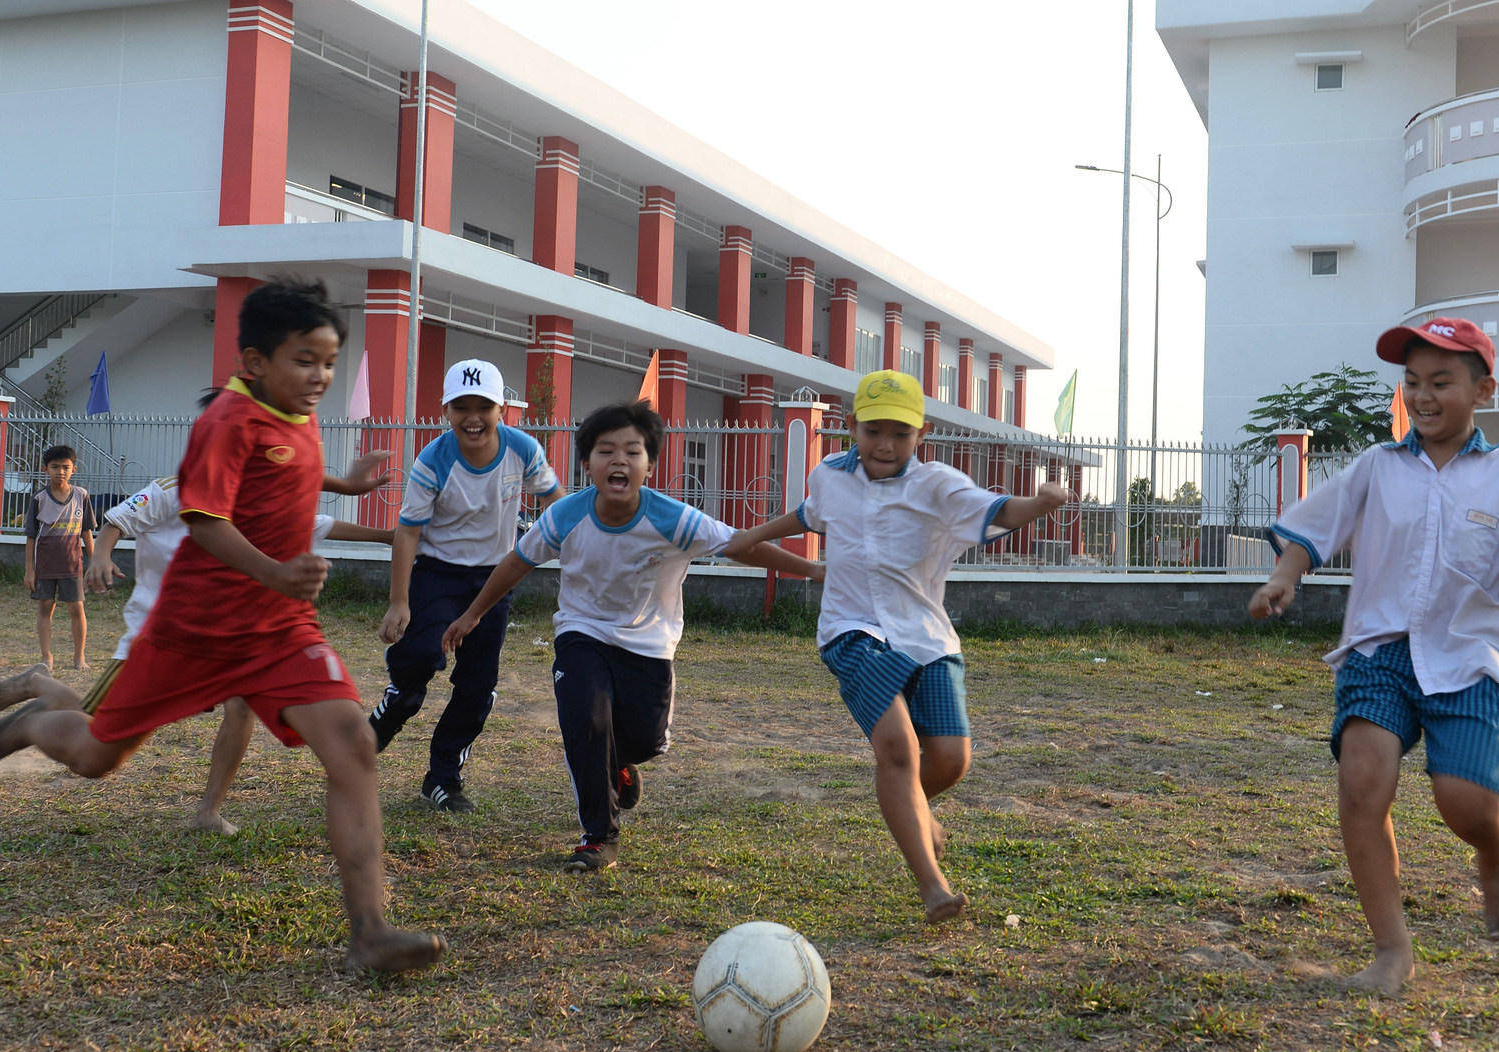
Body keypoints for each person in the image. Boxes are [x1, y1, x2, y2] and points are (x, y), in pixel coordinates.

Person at [0, 279, 445, 973]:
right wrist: (278, 571)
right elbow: (206, 520)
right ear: (254, 362)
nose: (320, 377)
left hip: (280, 628)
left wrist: (347, 484)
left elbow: (291, 476)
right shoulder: (225, 421)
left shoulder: (299, 410)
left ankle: (369, 933)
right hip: (193, 630)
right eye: (305, 360)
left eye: (328, 361)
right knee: (101, 757)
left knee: (353, 747)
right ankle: (37, 720)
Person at [1247, 316, 1499, 994]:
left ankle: (1495, 855)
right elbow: (1313, 530)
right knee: (1362, 783)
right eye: (1412, 383)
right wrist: (1285, 576)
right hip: (1382, 651)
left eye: (1441, 381)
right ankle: (1391, 953)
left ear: (1482, 390)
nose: (1424, 396)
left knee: (1467, 803)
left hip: (1472, 655)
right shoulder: (1378, 467)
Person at [726, 370, 1072, 923]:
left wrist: (1042, 503)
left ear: (922, 433)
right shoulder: (828, 476)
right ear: (850, 427)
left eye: (900, 433)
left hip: (925, 636)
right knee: (897, 749)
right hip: (851, 630)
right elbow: (810, 514)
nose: (885, 445)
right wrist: (755, 536)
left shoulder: (938, 485)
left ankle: (905, 804)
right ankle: (933, 886)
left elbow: (998, 510)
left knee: (951, 762)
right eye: (873, 430)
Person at [438, 399, 821, 872]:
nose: (619, 460)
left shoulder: (673, 519)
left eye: (632, 451)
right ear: (587, 464)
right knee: (586, 722)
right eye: (605, 450)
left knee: (642, 741)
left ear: (650, 465)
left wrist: (812, 570)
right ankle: (599, 837)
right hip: (582, 632)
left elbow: (740, 546)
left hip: (648, 644)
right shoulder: (565, 516)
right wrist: (473, 615)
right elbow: (518, 561)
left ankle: (621, 764)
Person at [0, 471, 393, 836]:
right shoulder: (173, 490)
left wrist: (392, 535)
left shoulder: (261, 498)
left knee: (241, 706)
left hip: (226, 640)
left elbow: (321, 524)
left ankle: (208, 812)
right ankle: (40, 687)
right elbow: (116, 520)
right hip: (159, 638)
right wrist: (102, 557)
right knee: (94, 744)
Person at [373, 358, 563, 813]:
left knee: (478, 686)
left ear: (501, 410)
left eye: (484, 406)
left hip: (493, 580)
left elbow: (556, 504)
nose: (472, 417)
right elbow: (408, 532)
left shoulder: (523, 449)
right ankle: (397, 702)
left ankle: (443, 779)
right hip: (437, 572)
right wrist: (399, 601)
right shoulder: (432, 460)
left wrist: (584, 543)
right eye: (462, 406)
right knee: (419, 656)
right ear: (445, 410)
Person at [22, 444, 95, 671]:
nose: (60, 472)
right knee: (45, 607)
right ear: (45, 469)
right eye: (55, 467)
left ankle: (79, 657)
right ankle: (46, 657)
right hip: (44, 566)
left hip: (72, 566)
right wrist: (29, 569)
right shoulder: (38, 498)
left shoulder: (81, 496)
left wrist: (95, 561)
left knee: (76, 609)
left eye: (65, 467)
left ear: (74, 468)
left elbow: (86, 532)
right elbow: (31, 537)